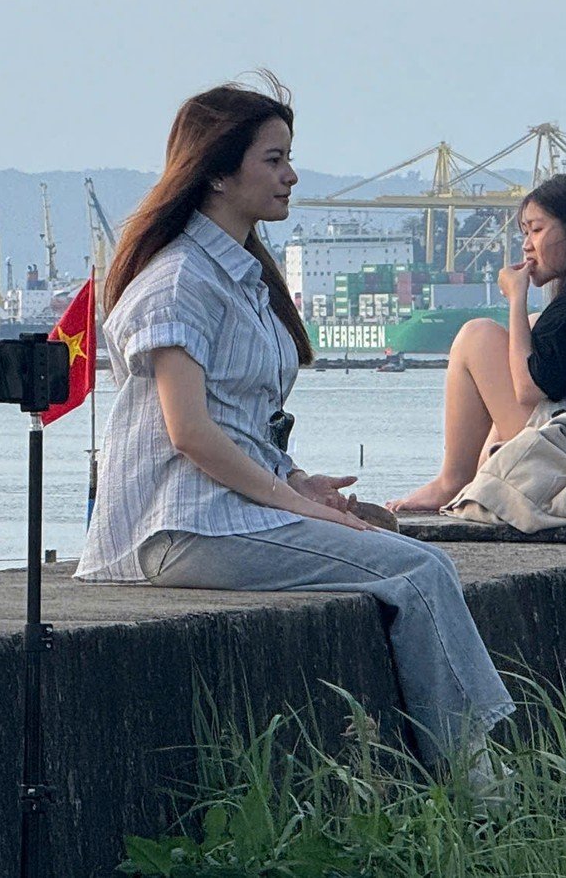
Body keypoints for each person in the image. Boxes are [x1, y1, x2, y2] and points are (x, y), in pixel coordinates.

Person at [78, 79, 512, 768]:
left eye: (289, 157)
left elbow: (238, 422)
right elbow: (188, 432)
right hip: (177, 526)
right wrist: (288, 501)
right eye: (273, 159)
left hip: (222, 513)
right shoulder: (180, 279)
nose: (292, 175)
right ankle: (477, 785)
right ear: (218, 172)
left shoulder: (241, 276)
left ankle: (470, 772)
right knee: (419, 573)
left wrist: (300, 484)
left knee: (416, 554)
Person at [390, 173, 566, 513]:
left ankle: (452, 480)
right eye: (525, 233)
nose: (527, 245)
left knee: (477, 335)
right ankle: (477, 476)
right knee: (527, 331)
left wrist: (517, 297)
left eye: (537, 230)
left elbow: (528, 389)